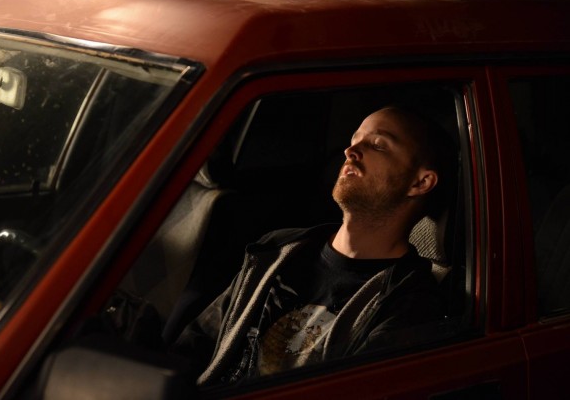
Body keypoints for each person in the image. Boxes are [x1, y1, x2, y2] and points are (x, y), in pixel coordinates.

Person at [170, 105, 457, 386]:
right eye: (354, 139)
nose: (350, 151)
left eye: (378, 145)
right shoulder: (278, 250)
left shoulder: (408, 304)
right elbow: (193, 346)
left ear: (420, 182)